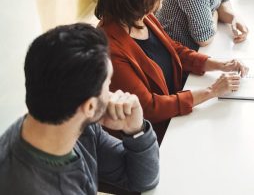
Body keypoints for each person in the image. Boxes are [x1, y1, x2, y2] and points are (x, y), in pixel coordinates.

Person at [96, 0, 249, 142]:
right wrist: (212, 91)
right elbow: (149, 108)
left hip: (176, 113)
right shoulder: (110, 49)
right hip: (155, 136)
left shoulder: (142, 16)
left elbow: (172, 49)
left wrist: (219, 64)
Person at [0, 23, 160, 194]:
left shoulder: (74, 124)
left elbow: (143, 181)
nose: (112, 93)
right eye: (108, 84)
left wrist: (136, 131)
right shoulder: (24, 185)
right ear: (90, 106)